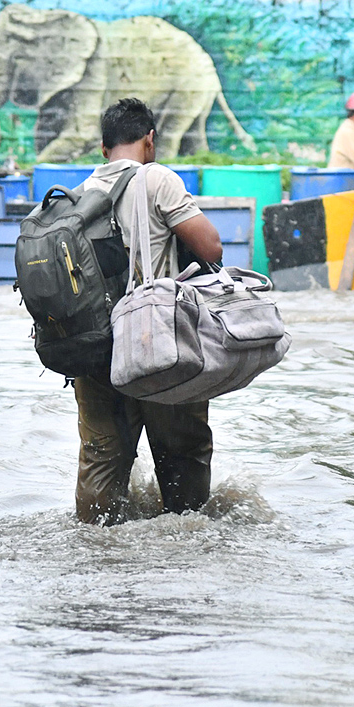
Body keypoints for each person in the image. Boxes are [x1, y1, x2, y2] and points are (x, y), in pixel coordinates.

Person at [73, 97, 224, 524]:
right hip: (157, 345)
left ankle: (94, 546)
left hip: (95, 348)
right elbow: (210, 247)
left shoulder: (81, 194)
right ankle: (182, 546)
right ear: (150, 140)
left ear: (103, 149)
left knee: (101, 458)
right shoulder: (156, 179)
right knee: (184, 452)